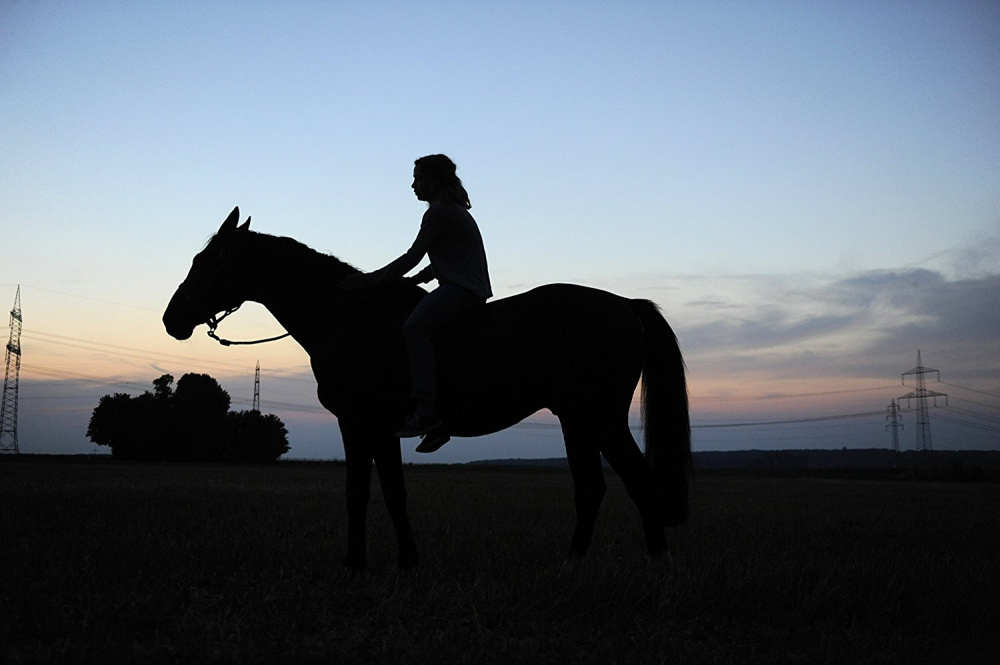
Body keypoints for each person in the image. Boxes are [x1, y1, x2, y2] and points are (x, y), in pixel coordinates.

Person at [339, 154, 492, 451]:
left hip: (461, 290)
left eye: (418, 178)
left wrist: (370, 280)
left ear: (433, 181)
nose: (413, 185)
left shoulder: (438, 213)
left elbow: (412, 255)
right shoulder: (453, 211)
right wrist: (420, 278)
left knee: (415, 328)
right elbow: (449, 257)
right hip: (465, 287)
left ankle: (425, 412)